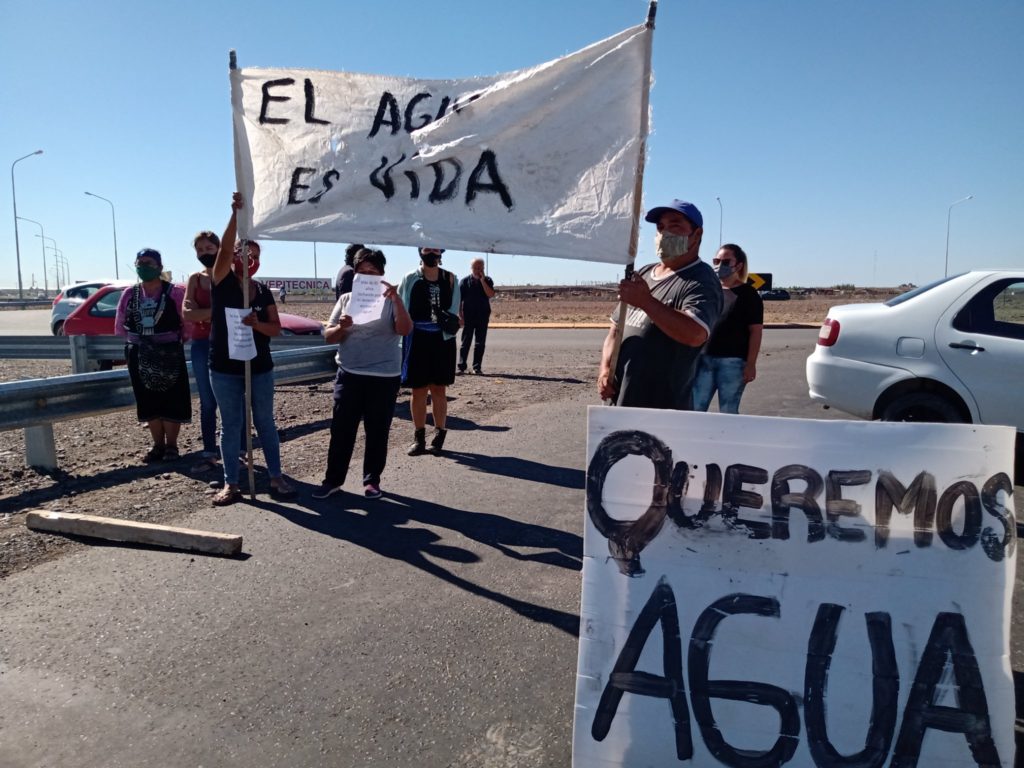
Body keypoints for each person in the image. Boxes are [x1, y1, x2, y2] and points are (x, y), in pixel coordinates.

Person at [207, 192, 297, 505]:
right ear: (232, 257)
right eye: (243, 253)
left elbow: (276, 329)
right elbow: (223, 250)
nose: (248, 260)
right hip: (224, 367)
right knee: (230, 425)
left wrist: (256, 323)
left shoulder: (263, 292)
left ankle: (275, 476)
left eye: (254, 256)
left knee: (265, 422)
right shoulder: (221, 282)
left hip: (259, 367)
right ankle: (231, 483)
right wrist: (235, 215)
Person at [597, 199, 722, 410]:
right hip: (621, 402)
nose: (665, 234)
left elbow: (695, 334)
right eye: (660, 228)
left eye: (675, 226)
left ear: (697, 234)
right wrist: (606, 369)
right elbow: (615, 330)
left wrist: (646, 301)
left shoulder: (701, 280)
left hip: (663, 408)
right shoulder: (645, 273)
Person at [314, 248, 413, 500]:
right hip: (350, 373)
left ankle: (372, 481)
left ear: (382, 273)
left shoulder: (392, 299)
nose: (368, 275)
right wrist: (342, 327)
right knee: (341, 430)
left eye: (373, 271)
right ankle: (333, 480)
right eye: (362, 271)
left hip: (384, 376)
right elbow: (328, 336)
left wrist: (398, 301)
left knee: (377, 431)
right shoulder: (346, 300)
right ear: (355, 273)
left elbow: (404, 329)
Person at [114, 248, 191, 462]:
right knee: (147, 398)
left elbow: (187, 325)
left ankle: (172, 446)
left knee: (172, 398)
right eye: (140, 263)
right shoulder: (130, 294)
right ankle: (157, 445)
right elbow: (120, 326)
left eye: (149, 263)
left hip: (169, 352)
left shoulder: (174, 292)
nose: (143, 267)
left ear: (159, 267)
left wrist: (170, 341)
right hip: (139, 352)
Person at [398, 247, 461, 456]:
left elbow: (454, 310)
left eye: (435, 248)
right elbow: (401, 307)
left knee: (439, 390)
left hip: (442, 341)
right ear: (420, 251)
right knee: (418, 391)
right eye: (427, 248)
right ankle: (419, 438)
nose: (431, 252)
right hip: (416, 340)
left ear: (441, 251)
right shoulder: (409, 278)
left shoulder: (451, 279)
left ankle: (439, 434)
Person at [692, 244, 764, 414]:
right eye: (716, 261)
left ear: (738, 265)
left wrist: (751, 364)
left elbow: (756, 332)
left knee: (728, 411)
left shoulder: (748, 294)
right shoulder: (708, 290)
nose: (719, 265)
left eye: (725, 261)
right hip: (703, 360)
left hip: (733, 363)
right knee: (695, 408)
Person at [182, 230, 222, 472]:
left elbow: (233, 308)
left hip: (226, 344)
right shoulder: (195, 279)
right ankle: (209, 452)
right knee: (207, 401)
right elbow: (187, 314)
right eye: (199, 250)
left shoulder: (230, 275)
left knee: (232, 399)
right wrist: (216, 311)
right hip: (201, 344)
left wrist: (203, 312)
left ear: (218, 248)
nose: (204, 254)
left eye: (208, 249)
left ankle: (238, 450)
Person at [458, 257, 496, 375]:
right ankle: (462, 366)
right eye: (475, 267)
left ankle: (477, 367)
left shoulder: (488, 280)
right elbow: (459, 300)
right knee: (465, 342)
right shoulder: (464, 282)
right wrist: (460, 315)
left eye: (480, 267)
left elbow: (490, 294)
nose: (477, 270)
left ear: (483, 268)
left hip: (482, 315)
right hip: (468, 315)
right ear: (471, 268)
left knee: (480, 342)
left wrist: (482, 280)